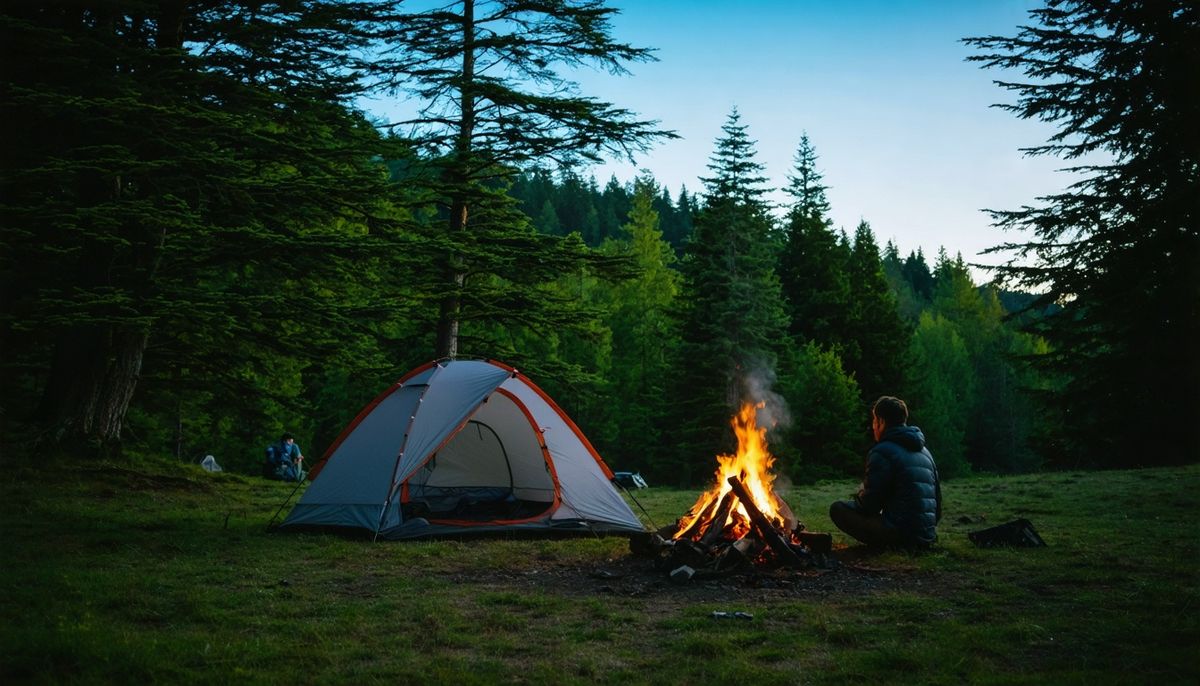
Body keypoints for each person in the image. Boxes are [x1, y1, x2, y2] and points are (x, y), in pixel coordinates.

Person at [829, 396, 942, 549]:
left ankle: (886, 545)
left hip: (900, 536)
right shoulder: (925, 452)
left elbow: (869, 506)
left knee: (837, 509)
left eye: (874, 420)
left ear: (881, 421)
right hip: (926, 536)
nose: (873, 426)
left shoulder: (882, 451)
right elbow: (937, 505)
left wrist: (859, 496)